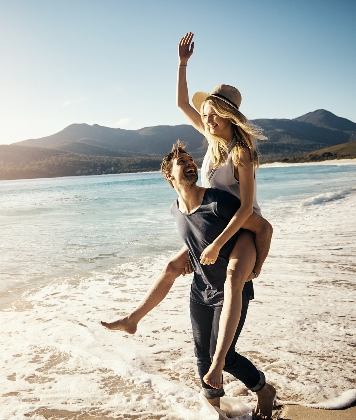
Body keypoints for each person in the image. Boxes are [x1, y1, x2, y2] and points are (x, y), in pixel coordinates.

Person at [101, 143, 276, 420]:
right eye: (181, 162)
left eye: (190, 159)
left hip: (232, 289)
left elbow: (264, 228)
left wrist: (256, 268)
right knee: (202, 359)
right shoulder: (176, 210)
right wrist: (190, 260)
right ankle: (215, 414)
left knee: (225, 357)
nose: (190, 163)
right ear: (169, 176)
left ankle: (263, 389)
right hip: (200, 291)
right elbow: (193, 245)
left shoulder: (218, 202)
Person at [176, 31, 273, 391]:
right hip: (218, 217)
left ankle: (221, 365)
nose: (207, 119)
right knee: (177, 264)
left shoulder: (240, 151)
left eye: (214, 114)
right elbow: (182, 104)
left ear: (229, 115)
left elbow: (247, 206)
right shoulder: (213, 138)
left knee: (235, 277)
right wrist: (183, 64)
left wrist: (217, 245)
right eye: (206, 115)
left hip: (244, 224)